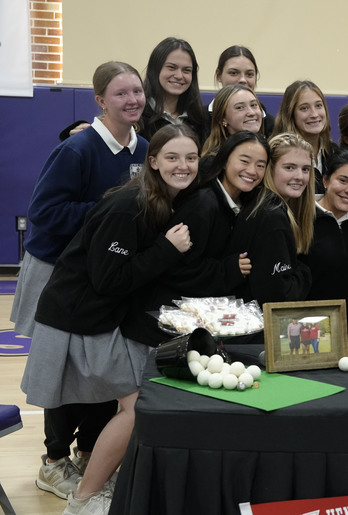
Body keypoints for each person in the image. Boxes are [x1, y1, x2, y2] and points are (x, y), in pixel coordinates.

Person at [21, 124, 200, 514]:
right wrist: (167, 249)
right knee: (135, 406)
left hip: (100, 317)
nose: (183, 165)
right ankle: (84, 497)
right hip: (79, 318)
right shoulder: (129, 205)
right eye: (172, 157)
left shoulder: (161, 201)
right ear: (152, 161)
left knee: (131, 404)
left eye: (191, 158)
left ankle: (96, 482)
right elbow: (109, 280)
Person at [10, 61, 148, 501]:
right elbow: (45, 213)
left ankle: (89, 453)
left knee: (106, 370)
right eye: (121, 93)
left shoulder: (144, 148)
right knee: (65, 371)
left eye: (137, 91)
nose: (132, 100)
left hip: (108, 275)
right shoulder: (77, 149)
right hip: (61, 275)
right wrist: (110, 212)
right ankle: (53, 462)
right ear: (100, 100)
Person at [130, 132, 264, 336]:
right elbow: (176, 269)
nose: (252, 171)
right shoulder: (203, 205)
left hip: (197, 322)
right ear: (225, 160)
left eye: (261, 165)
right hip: (166, 325)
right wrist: (228, 269)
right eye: (244, 161)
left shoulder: (241, 201)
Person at [229, 133, 314, 305]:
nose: (300, 176)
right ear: (270, 168)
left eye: (305, 169)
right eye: (289, 167)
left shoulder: (264, 205)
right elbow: (278, 295)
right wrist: (305, 272)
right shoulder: (272, 217)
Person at [298, 150, 348, 342]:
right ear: (326, 180)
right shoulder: (301, 218)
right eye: (343, 180)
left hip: (347, 329)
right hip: (304, 327)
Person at [139, 37, 207, 142]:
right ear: (155, 69)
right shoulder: (139, 116)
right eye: (171, 67)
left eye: (186, 70)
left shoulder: (200, 119)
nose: (179, 76)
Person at [273, 80, 335, 190]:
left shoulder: (335, 152)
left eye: (318, 106)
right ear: (290, 114)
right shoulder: (277, 153)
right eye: (304, 108)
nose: (314, 114)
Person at [211, 45, 275, 137]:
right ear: (219, 75)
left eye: (249, 74)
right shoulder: (199, 119)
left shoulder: (271, 125)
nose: (242, 80)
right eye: (233, 73)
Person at [202, 84, 265, 159]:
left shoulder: (268, 152)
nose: (251, 113)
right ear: (222, 119)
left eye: (254, 105)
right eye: (240, 107)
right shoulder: (213, 161)